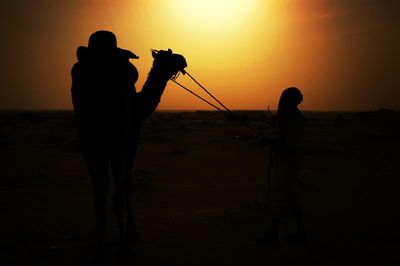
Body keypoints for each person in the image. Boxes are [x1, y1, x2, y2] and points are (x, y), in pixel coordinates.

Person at [71, 30, 140, 256]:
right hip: (107, 134)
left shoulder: (82, 69)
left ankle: (107, 234)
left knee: (103, 185)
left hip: (95, 134)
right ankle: (112, 235)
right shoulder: (119, 71)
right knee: (110, 184)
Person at [258, 87, 307, 243]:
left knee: (282, 195)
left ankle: (274, 232)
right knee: (289, 196)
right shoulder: (291, 117)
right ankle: (298, 231)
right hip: (286, 160)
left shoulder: (295, 119)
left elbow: (290, 143)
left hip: (289, 161)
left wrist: (270, 141)